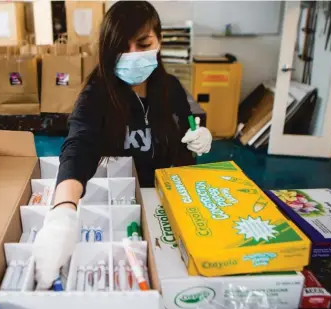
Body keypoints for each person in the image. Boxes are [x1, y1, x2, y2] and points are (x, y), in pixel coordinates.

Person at [33, 1, 212, 289]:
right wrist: (63, 211)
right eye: (121, 47)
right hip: (120, 204)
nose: (133, 56)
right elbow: (79, 145)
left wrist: (199, 133)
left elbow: (190, 121)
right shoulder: (97, 95)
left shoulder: (171, 88)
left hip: (167, 206)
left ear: (159, 40)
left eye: (143, 44)